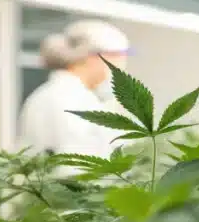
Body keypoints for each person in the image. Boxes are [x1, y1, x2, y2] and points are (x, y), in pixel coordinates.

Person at [17, 19, 130, 158]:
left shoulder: (58, 94)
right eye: (117, 57)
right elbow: (75, 162)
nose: (120, 66)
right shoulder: (70, 100)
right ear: (94, 58)